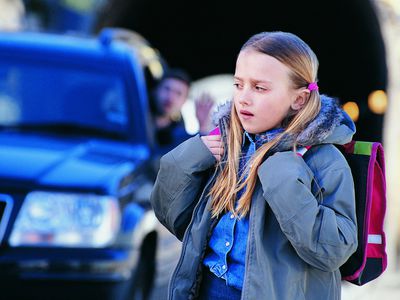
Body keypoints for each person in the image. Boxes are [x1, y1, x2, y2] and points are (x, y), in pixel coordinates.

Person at [150, 31, 358, 300]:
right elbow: (180, 224)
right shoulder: (228, 146)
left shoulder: (324, 160)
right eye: (238, 85)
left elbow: (333, 250)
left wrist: (284, 181)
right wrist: (185, 161)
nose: (244, 98)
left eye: (259, 88)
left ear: (299, 100)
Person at [150, 68, 213, 154]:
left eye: (178, 94)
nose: (170, 97)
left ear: (184, 101)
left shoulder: (178, 137)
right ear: (156, 90)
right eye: (167, 89)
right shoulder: (134, 116)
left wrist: (202, 126)